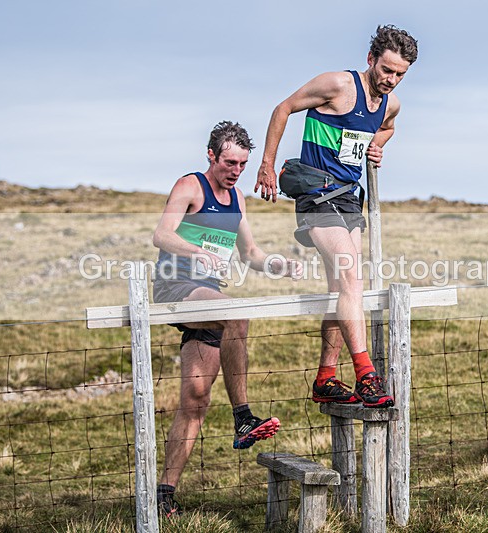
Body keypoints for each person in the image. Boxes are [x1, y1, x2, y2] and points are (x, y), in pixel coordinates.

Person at [254, 25, 418, 408]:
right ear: (370, 60)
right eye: (386, 70)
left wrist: (377, 143)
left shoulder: (390, 104)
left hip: (348, 200)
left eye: (400, 75)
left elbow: (389, 127)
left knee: (341, 290)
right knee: (351, 277)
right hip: (315, 194)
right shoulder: (338, 85)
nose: (391, 80)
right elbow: (283, 108)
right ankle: (367, 376)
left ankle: (326, 378)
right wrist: (266, 164)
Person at [152, 121, 302, 517]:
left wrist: (280, 265)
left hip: (209, 300)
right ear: (211, 156)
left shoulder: (237, 198)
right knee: (238, 316)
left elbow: (251, 253)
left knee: (195, 401)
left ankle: (163, 495)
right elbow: (162, 235)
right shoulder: (190, 186)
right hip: (176, 287)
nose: (235, 171)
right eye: (229, 162)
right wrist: (194, 252)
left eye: (242, 164)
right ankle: (243, 418)